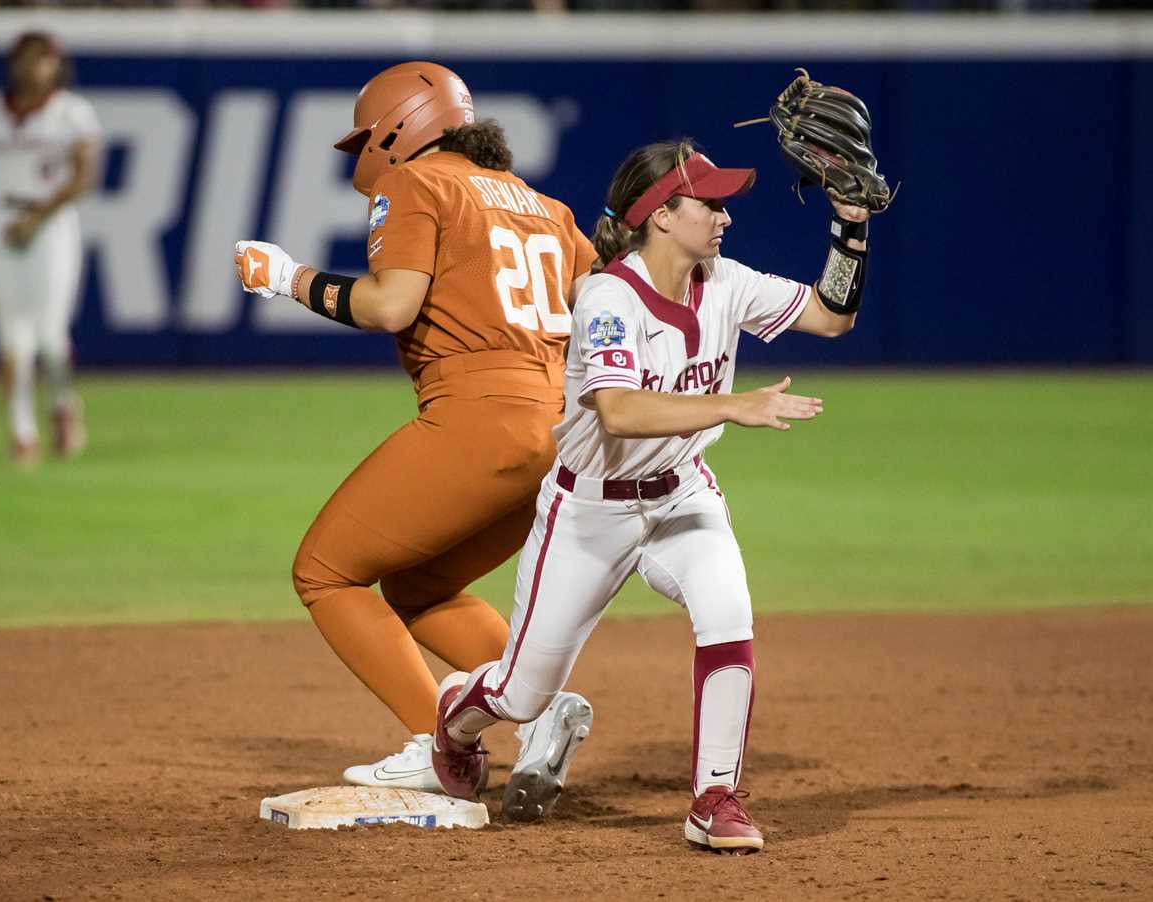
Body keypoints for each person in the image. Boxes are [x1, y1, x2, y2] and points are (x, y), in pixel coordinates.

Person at [431, 139, 874, 850]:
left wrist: (850, 227)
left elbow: (831, 316)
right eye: (711, 204)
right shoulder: (608, 296)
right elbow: (620, 411)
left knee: (728, 611)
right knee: (524, 692)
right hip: (588, 510)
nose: (725, 217)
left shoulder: (726, 282)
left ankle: (715, 798)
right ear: (660, 216)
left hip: (682, 498)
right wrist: (733, 406)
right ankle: (456, 717)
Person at [233, 61, 595, 820]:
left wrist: (288, 278)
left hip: (478, 415)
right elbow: (607, 309)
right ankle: (540, 710)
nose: (365, 154)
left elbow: (391, 305)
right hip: (559, 433)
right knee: (419, 586)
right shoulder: (545, 206)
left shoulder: (419, 184)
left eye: (368, 137)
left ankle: (440, 746)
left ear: (399, 128)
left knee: (326, 573)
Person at [0, 31, 101, 467]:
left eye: (44, 59)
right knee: (11, 333)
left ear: (57, 65)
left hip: (50, 224)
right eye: (27, 58)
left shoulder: (72, 113)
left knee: (50, 336)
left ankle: (62, 404)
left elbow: (84, 177)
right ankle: (22, 433)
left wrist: (37, 219)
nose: (35, 68)